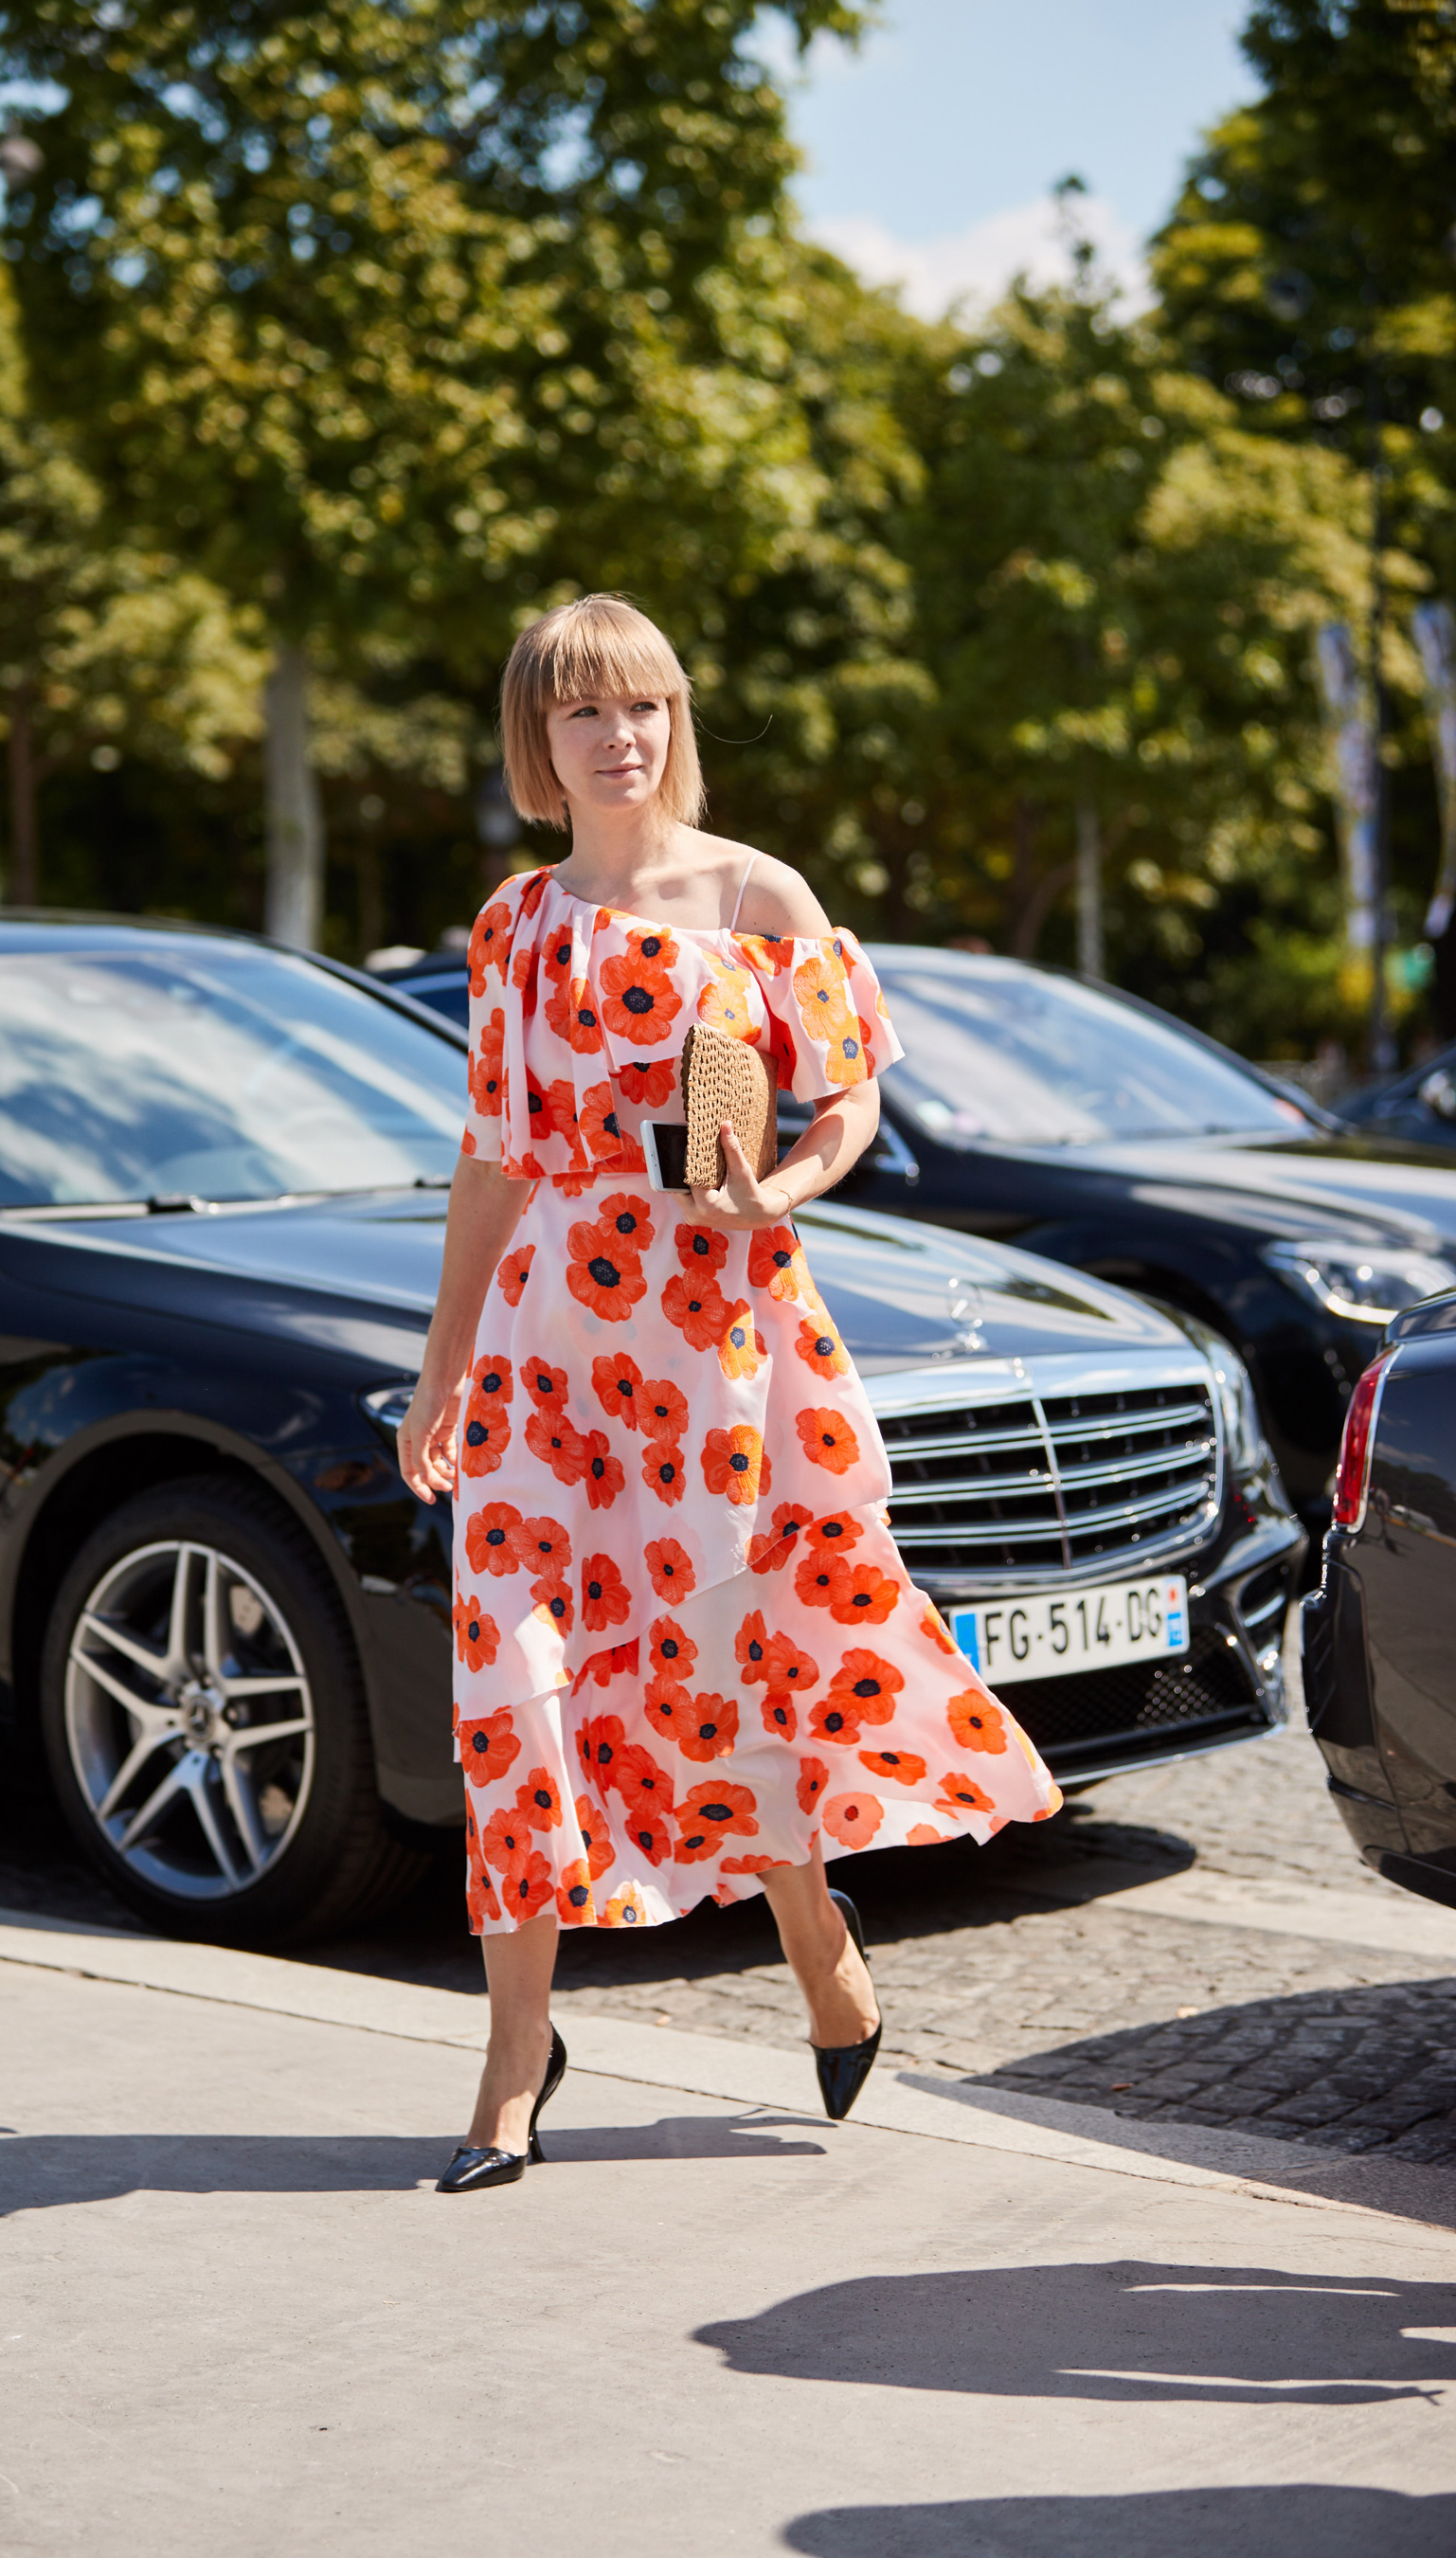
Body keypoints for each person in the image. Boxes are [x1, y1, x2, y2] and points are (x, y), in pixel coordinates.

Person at [397, 595, 1061, 2192]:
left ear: (676, 719)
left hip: (714, 1342)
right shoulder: (511, 925)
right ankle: (509, 2063)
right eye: (584, 715)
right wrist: (442, 1367)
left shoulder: (760, 895)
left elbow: (844, 1107)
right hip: (544, 1356)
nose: (622, 737)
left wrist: (780, 1190)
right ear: (535, 745)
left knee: (716, 1668)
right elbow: (493, 1160)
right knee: (512, 1688)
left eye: (645, 707)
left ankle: (814, 1928)